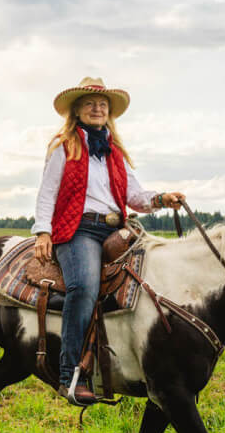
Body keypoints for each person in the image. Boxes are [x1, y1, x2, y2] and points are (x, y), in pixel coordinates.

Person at [32, 77, 185, 405]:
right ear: (77, 111)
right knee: (84, 287)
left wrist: (161, 199)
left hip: (117, 229)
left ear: (109, 113)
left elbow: (134, 195)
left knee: (153, 277)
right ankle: (70, 374)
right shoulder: (64, 146)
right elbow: (47, 192)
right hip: (79, 230)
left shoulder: (115, 153)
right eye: (90, 103)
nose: (97, 108)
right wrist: (43, 231)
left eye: (102, 105)